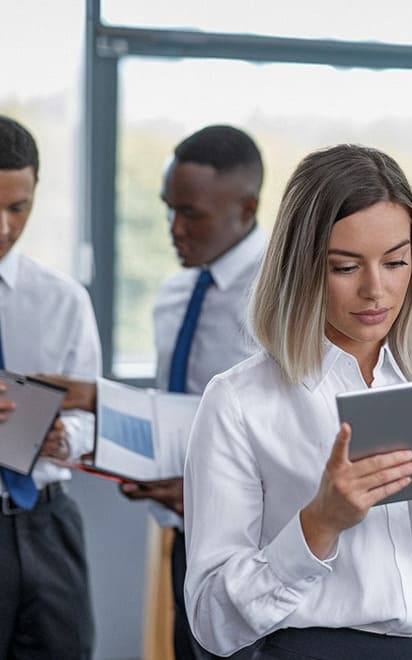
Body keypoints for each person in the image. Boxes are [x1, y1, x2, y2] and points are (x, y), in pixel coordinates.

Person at [183, 144, 412, 659]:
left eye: (396, 262)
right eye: (345, 267)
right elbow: (211, 620)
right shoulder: (239, 402)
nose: (376, 290)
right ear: (301, 267)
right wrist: (318, 523)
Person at [40, 124, 266, 660]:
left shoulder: (283, 297)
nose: (173, 229)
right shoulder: (173, 294)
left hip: (257, 544)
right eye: (169, 209)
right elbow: (172, 415)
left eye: (191, 214)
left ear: (247, 207)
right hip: (185, 535)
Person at [0, 115, 101, 658]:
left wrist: (71, 437)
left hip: (47, 517)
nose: (3, 227)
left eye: (19, 208)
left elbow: (90, 409)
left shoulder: (63, 300)